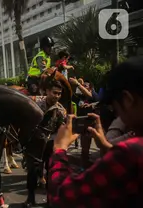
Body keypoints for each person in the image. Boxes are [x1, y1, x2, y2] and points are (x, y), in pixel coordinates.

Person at [48, 57, 143, 207]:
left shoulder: (129, 154)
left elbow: (64, 198)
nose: (116, 112)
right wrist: (105, 145)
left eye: (114, 105)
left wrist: (60, 149)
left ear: (127, 100)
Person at [25, 78, 67, 206]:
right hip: (34, 142)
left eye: (59, 94)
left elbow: (61, 129)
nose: (57, 96)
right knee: (32, 171)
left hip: (50, 143)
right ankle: (30, 198)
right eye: (54, 92)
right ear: (47, 91)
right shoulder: (34, 103)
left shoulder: (60, 110)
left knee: (50, 173)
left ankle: (49, 199)